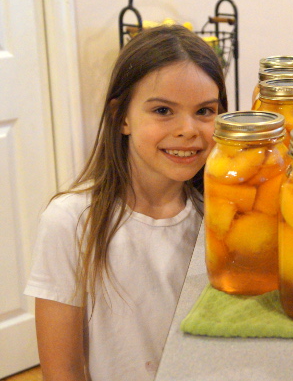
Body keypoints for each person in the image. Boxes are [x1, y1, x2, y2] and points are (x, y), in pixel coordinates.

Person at [24, 24, 227, 381]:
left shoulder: (222, 213)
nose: (189, 129)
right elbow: (62, 371)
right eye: (163, 111)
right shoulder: (71, 221)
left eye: (205, 111)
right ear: (122, 117)